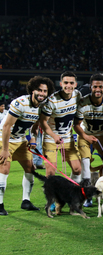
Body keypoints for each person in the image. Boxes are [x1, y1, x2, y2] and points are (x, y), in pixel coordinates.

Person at [0, 76, 55, 215]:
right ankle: (0, 204)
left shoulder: (42, 106)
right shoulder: (20, 103)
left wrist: (32, 139)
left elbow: (33, 126)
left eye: (45, 91)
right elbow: (6, 127)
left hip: (21, 139)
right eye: (39, 90)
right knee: (4, 169)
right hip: (4, 139)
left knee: (30, 168)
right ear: (32, 90)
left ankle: (26, 201)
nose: (42, 93)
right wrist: (5, 150)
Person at [74, 73, 103, 207]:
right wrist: (85, 136)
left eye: (100, 87)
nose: (97, 90)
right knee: (85, 165)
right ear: (90, 87)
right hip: (85, 135)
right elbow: (76, 125)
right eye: (94, 87)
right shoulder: (83, 102)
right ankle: (87, 196)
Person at [39, 71, 82, 182]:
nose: (69, 86)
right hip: (51, 140)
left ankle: (71, 192)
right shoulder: (52, 100)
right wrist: (54, 136)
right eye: (66, 83)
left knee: (77, 169)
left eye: (71, 83)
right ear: (61, 84)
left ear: (75, 84)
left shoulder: (77, 95)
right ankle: (51, 199)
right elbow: (43, 122)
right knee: (51, 173)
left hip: (68, 138)